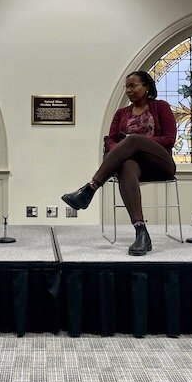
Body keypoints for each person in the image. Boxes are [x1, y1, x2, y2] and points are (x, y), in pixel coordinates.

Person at [62, 71, 176, 256]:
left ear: (146, 87)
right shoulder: (121, 113)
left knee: (134, 140)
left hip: (160, 163)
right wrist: (126, 147)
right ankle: (141, 232)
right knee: (125, 165)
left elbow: (169, 139)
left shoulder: (160, 107)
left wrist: (136, 142)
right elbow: (111, 142)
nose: (129, 90)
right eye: (127, 87)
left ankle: (90, 188)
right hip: (136, 167)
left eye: (133, 86)